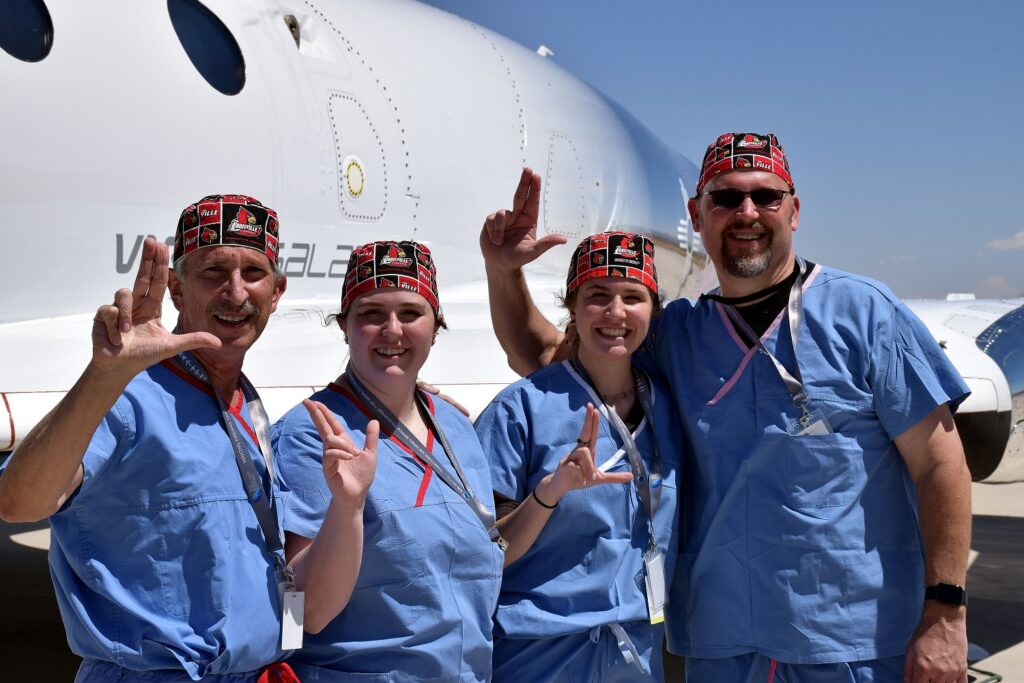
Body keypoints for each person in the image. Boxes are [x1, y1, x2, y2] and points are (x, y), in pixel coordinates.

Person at [480, 137, 973, 683]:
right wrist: (504, 272)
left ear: (794, 209)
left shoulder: (864, 314)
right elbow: (549, 358)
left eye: (766, 197)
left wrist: (946, 609)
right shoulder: (679, 335)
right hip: (722, 647)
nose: (747, 214)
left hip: (852, 645)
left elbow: (941, 465)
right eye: (726, 199)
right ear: (697, 214)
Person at [0, 195, 372, 682]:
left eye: (253, 274)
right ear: (176, 288)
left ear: (277, 292)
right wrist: (102, 376)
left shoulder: (248, 408)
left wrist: (282, 645)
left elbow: (283, 577)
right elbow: (19, 503)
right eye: (214, 272)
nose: (236, 293)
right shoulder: (128, 397)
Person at [272, 240, 505, 682]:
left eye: (411, 313)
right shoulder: (314, 436)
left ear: (436, 326)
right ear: (345, 326)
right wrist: (347, 508)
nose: (392, 330)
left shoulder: (455, 427)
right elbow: (302, 616)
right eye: (372, 314)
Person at [474, 231, 682, 682]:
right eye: (597, 296)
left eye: (633, 297)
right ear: (571, 306)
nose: (616, 312)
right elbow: (483, 554)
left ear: (653, 310)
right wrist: (548, 496)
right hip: (540, 658)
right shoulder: (520, 410)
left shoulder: (669, 410)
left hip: (638, 657)